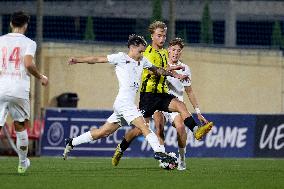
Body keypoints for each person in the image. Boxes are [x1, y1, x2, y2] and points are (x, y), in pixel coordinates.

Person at [63, 34, 187, 166]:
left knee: (104, 132)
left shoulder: (143, 60)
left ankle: (71, 142)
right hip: (124, 103)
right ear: (132, 47)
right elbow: (97, 58)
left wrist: (173, 73)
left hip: (123, 105)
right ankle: (159, 151)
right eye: (140, 51)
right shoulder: (121, 58)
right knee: (144, 126)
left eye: (143, 51)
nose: (141, 54)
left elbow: (157, 70)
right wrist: (77, 60)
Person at [112, 21, 213, 167]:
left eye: (164, 35)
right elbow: (159, 70)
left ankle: (196, 130)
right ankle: (121, 148)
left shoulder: (164, 53)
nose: (162, 38)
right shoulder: (147, 53)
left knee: (180, 105)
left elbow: (165, 68)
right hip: (148, 96)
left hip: (162, 94)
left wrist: (175, 71)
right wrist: (175, 74)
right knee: (139, 130)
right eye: (159, 35)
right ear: (152, 36)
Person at [0, 11, 48, 174]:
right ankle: (22, 163)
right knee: (20, 126)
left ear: (11, 24)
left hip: (1, 87)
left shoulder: (1, 40)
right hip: (19, 89)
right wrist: (40, 76)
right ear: (26, 25)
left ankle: (23, 162)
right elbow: (28, 63)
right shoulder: (29, 42)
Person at [153, 38, 209, 170]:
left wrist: (198, 112)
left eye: (178, 51)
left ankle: (182, 159)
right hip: (159, 102)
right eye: (173, 50)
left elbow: (189, 91)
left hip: (176, 105)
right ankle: (163, 158)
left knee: (181, 128)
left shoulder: (185, 69)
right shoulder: (161, 63)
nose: (175, 53)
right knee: (159, 126)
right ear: (168, 50)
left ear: (181, 53)